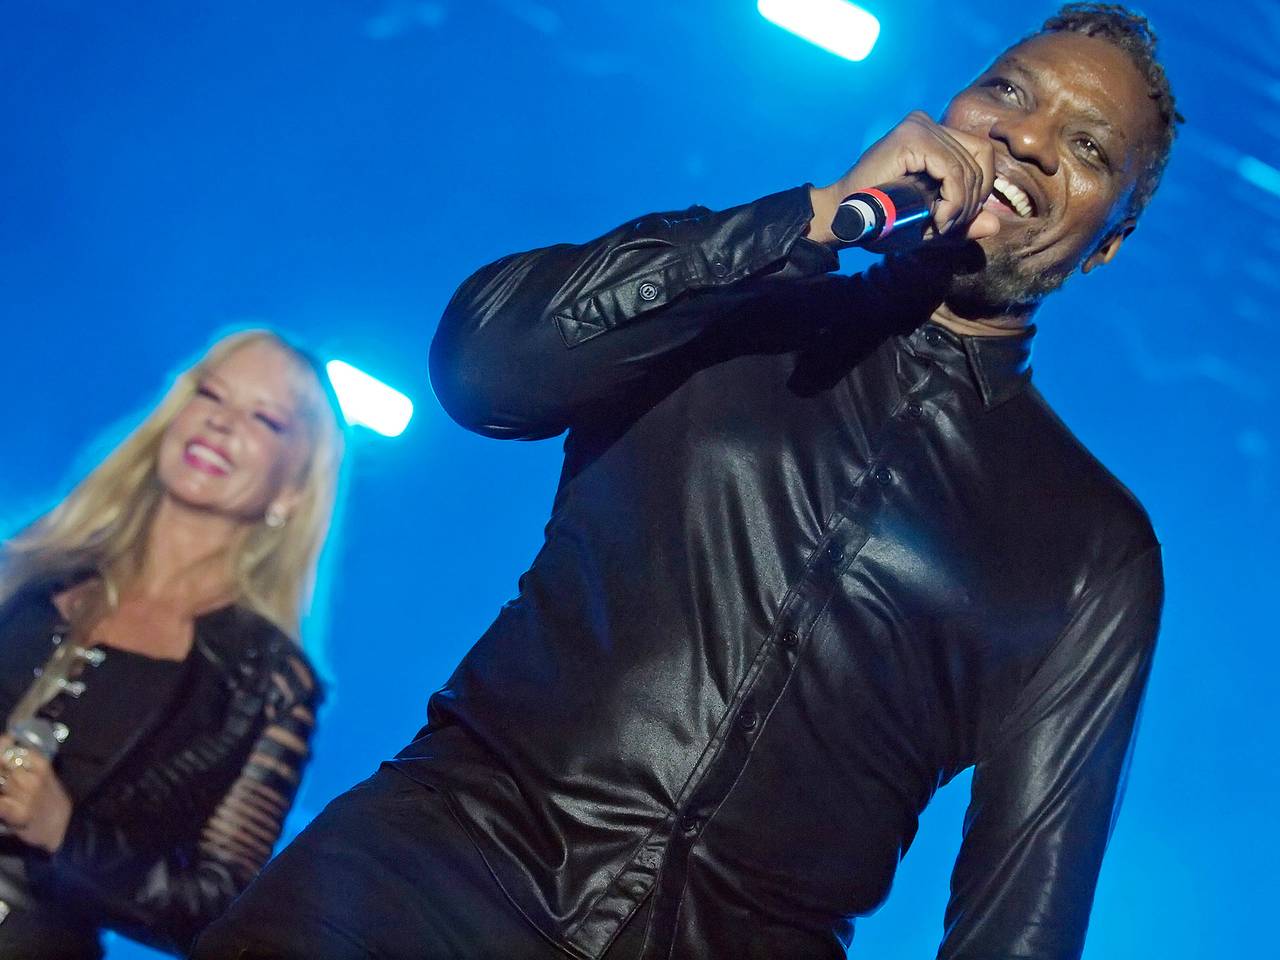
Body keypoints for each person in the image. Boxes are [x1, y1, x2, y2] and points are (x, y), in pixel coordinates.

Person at [195, 4, 1178, 959]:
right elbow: (482, 372)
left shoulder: (1092, 545)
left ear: (1108, 245)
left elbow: (1022, 916)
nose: (1026, 138)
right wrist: (808, 219)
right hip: (418, 884)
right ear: (950, 108)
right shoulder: (734, 302)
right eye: (1007, 91)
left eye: (1088, 148)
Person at [0, 329, 345, 957]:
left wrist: (64, 833)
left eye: (265, 418)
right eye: (211, 394)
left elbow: (217, 905)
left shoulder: (268, 682)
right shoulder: (28, 566)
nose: (221, 422)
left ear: (292, 491)